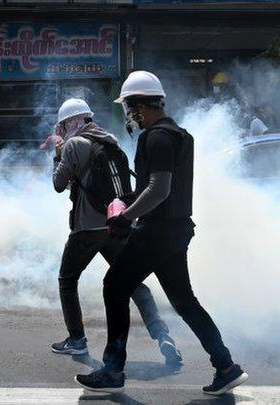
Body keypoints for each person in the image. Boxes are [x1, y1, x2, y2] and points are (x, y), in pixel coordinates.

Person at [74, 71, 249, 396]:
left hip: (157, 231)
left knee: (114, 286)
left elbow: (159, 188)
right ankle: (226, 367)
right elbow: (156, 187)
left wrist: (126, 216)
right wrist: (129, 202)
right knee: (184, 301)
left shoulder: (155, 137)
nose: (129, 115)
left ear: (140, 106)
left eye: (129, 108)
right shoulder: (179, 135)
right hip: (176, 229)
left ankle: (112, 371)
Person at [49, 98, 183, 364]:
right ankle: (162, 335)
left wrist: (59, 154)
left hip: (86, 229)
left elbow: (58, 184)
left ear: (69, 123)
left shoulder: (74, 144)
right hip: (116, 223)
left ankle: (76, 339)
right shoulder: (108, 139)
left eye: (64, 124)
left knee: (67, 280)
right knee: (133, 283)